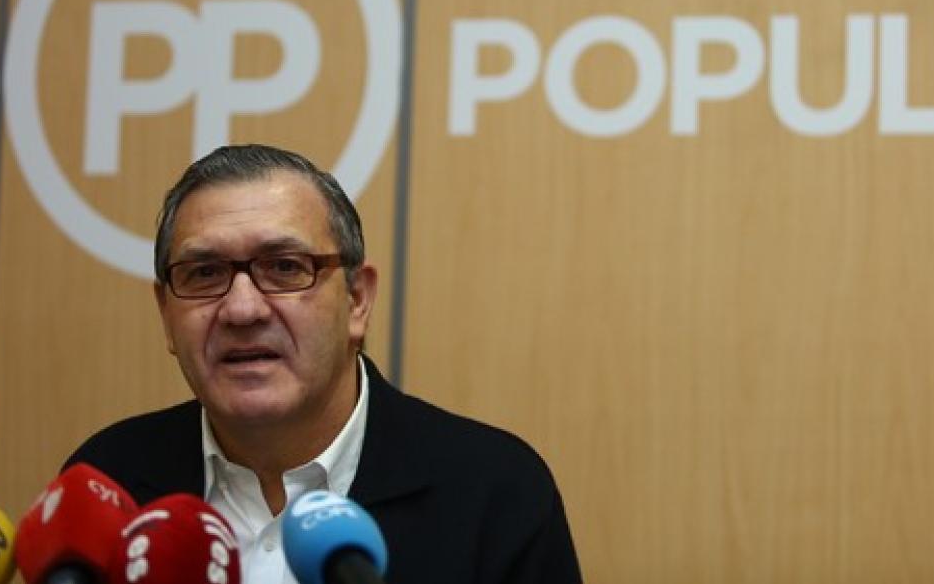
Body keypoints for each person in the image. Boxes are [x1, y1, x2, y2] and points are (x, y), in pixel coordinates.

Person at [65, 144, 582, 583]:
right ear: (166, 314)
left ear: (357, 300)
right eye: (204, 273)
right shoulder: (109, 484)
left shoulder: (493, 492)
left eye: (285, 267)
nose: (242, 309)